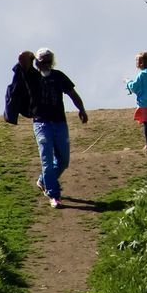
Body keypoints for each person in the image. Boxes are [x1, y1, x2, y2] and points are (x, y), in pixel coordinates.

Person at [23, 48, 88, 208]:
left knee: (63, 161)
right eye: (41, 61)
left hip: (59, 122)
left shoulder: (58, 76)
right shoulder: (33, 77)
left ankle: (43, 180)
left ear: (51, 62)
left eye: (47, 61)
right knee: (46, 159)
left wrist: (82, 109)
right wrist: (30, 57)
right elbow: (22, 63)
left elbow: (72, 93)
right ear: (37, 63)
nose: (44, 64)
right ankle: (53, 195)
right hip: (41, 123)